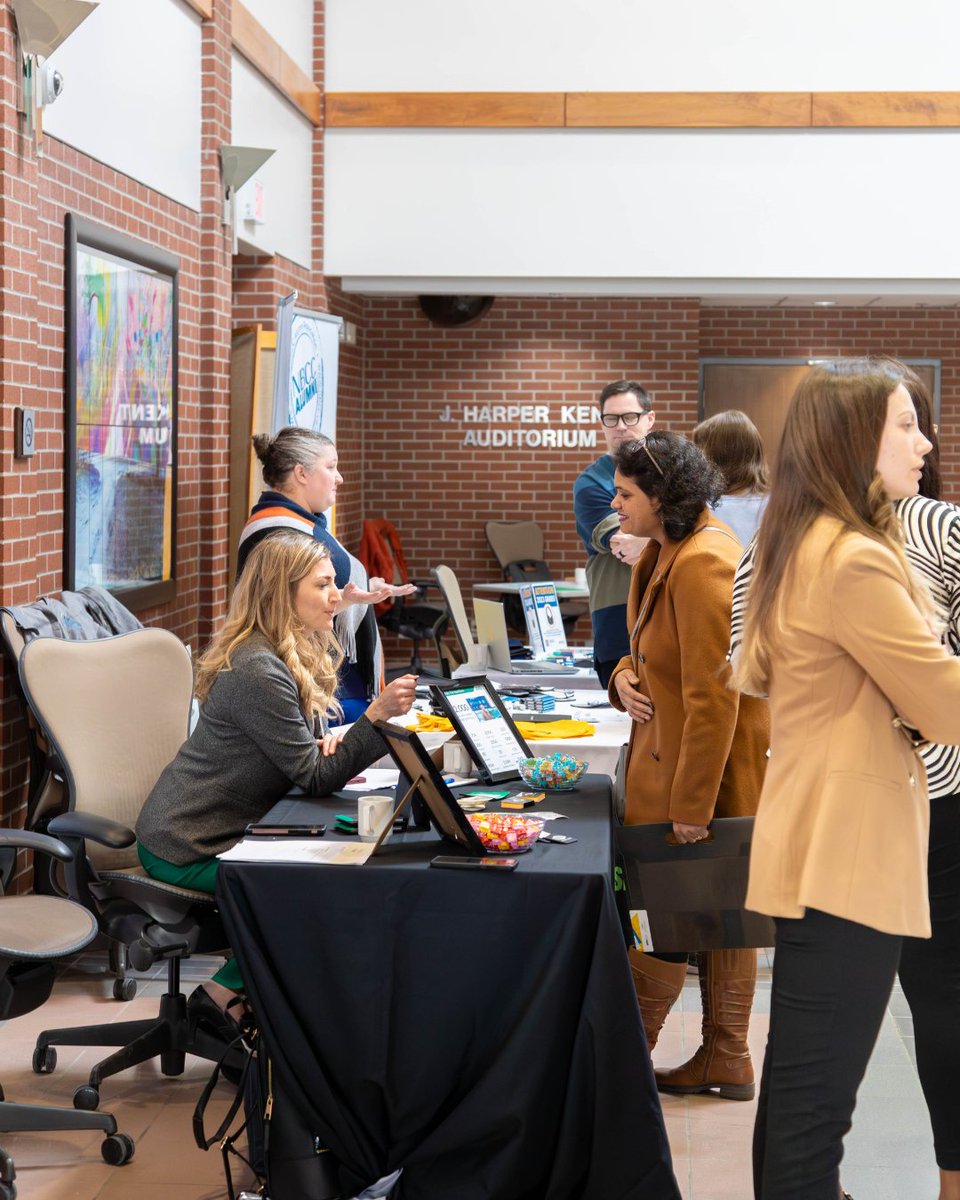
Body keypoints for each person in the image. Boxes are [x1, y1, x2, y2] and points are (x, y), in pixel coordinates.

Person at [732, 357, 960, 1200]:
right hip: (850, 857)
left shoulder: (807, 539)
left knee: (800, 1098)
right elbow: (946, 708)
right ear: (855, 439)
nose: (924, 443)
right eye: (906, 425)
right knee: (812, 1114)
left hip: (822, 846)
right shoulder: (855, 558)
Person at [136, 533, 418, 1039]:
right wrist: (373, 719)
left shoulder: (278, 653)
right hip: (186, 842)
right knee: (306, 889)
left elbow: (307, 757)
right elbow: (313, 776)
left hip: (221, 828)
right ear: (282, 595)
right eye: (324, 584)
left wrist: (329, 745)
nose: (337, 595)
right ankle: (218, 997)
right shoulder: (258, 670)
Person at [607, 431, 769, 1101]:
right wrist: (621, 675)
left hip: (702, 775)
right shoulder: (666, 549)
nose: (614, 505)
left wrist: (693, 807)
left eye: (625, 495)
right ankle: (724, 1059)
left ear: (662, 497)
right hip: (669, 762)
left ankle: (625, 1079)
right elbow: (647, 650)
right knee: (707, 912)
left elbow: (714, 696)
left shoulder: (705, 562)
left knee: (676, 918)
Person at [891, 367, 960, 1200]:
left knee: (939, 993)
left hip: (938, 800)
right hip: (837, 806)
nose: (927, 442)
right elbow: (745, 665)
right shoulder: (789, 535)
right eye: (905, 424)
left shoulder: (940, 526)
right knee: (819, 1007)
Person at [238, 426, 416, 722]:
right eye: (331, 467)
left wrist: (356, 595)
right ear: (301, 474)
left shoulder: (303, 523)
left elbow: (302, 600)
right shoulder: (278, 532)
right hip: (310, 683)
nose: (339, 477)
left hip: (328, 676)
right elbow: (284, 616)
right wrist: (348, 600)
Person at [573, 380, 656, 686]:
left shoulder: (670, 475)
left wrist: (649, 541)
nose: (620, 427)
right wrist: (674, 537)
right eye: (611, 419)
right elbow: (625, 546)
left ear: (649, 419)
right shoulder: (591, 484)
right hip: (618, 620)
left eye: (630, 417)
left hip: (670, 617)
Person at [692, 409, 770, 546]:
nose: (696, 459)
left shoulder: (702, 509)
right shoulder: (777, 506)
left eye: (700, 451)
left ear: (717, 457)